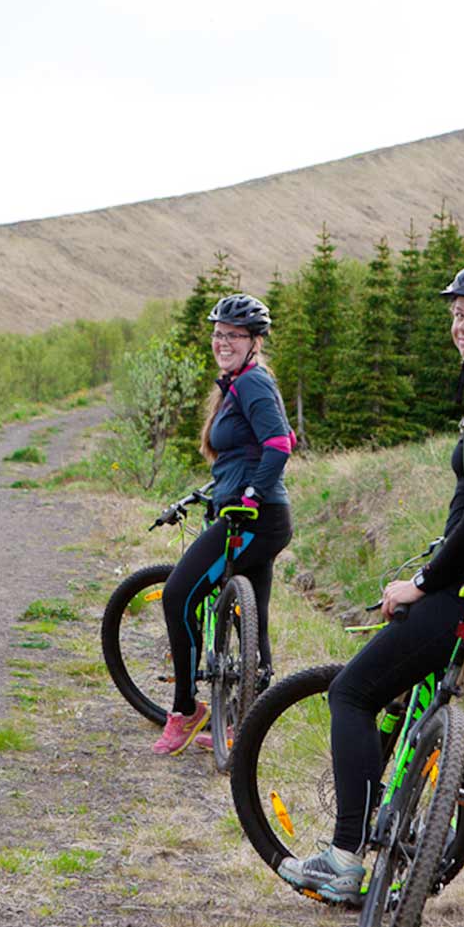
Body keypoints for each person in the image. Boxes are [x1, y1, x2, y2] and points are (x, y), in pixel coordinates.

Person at [278, 261, 464, 927]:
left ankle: (343, 858)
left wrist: (420, 583)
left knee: (352, 693)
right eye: (458, 314)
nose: (463, 326)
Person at [152, 293, 296, 755]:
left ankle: (185, 710)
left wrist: (251, 495)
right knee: (253, 621)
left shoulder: (252, 383)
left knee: (178, 595)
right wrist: (224, 488)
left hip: (253, 516)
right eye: (218, 334)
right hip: (254, 514)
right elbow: (257, 447)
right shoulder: (240, 383)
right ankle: (242, 723)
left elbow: (279, 444)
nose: (223, 342)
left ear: (255, 341)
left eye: (234, 335)